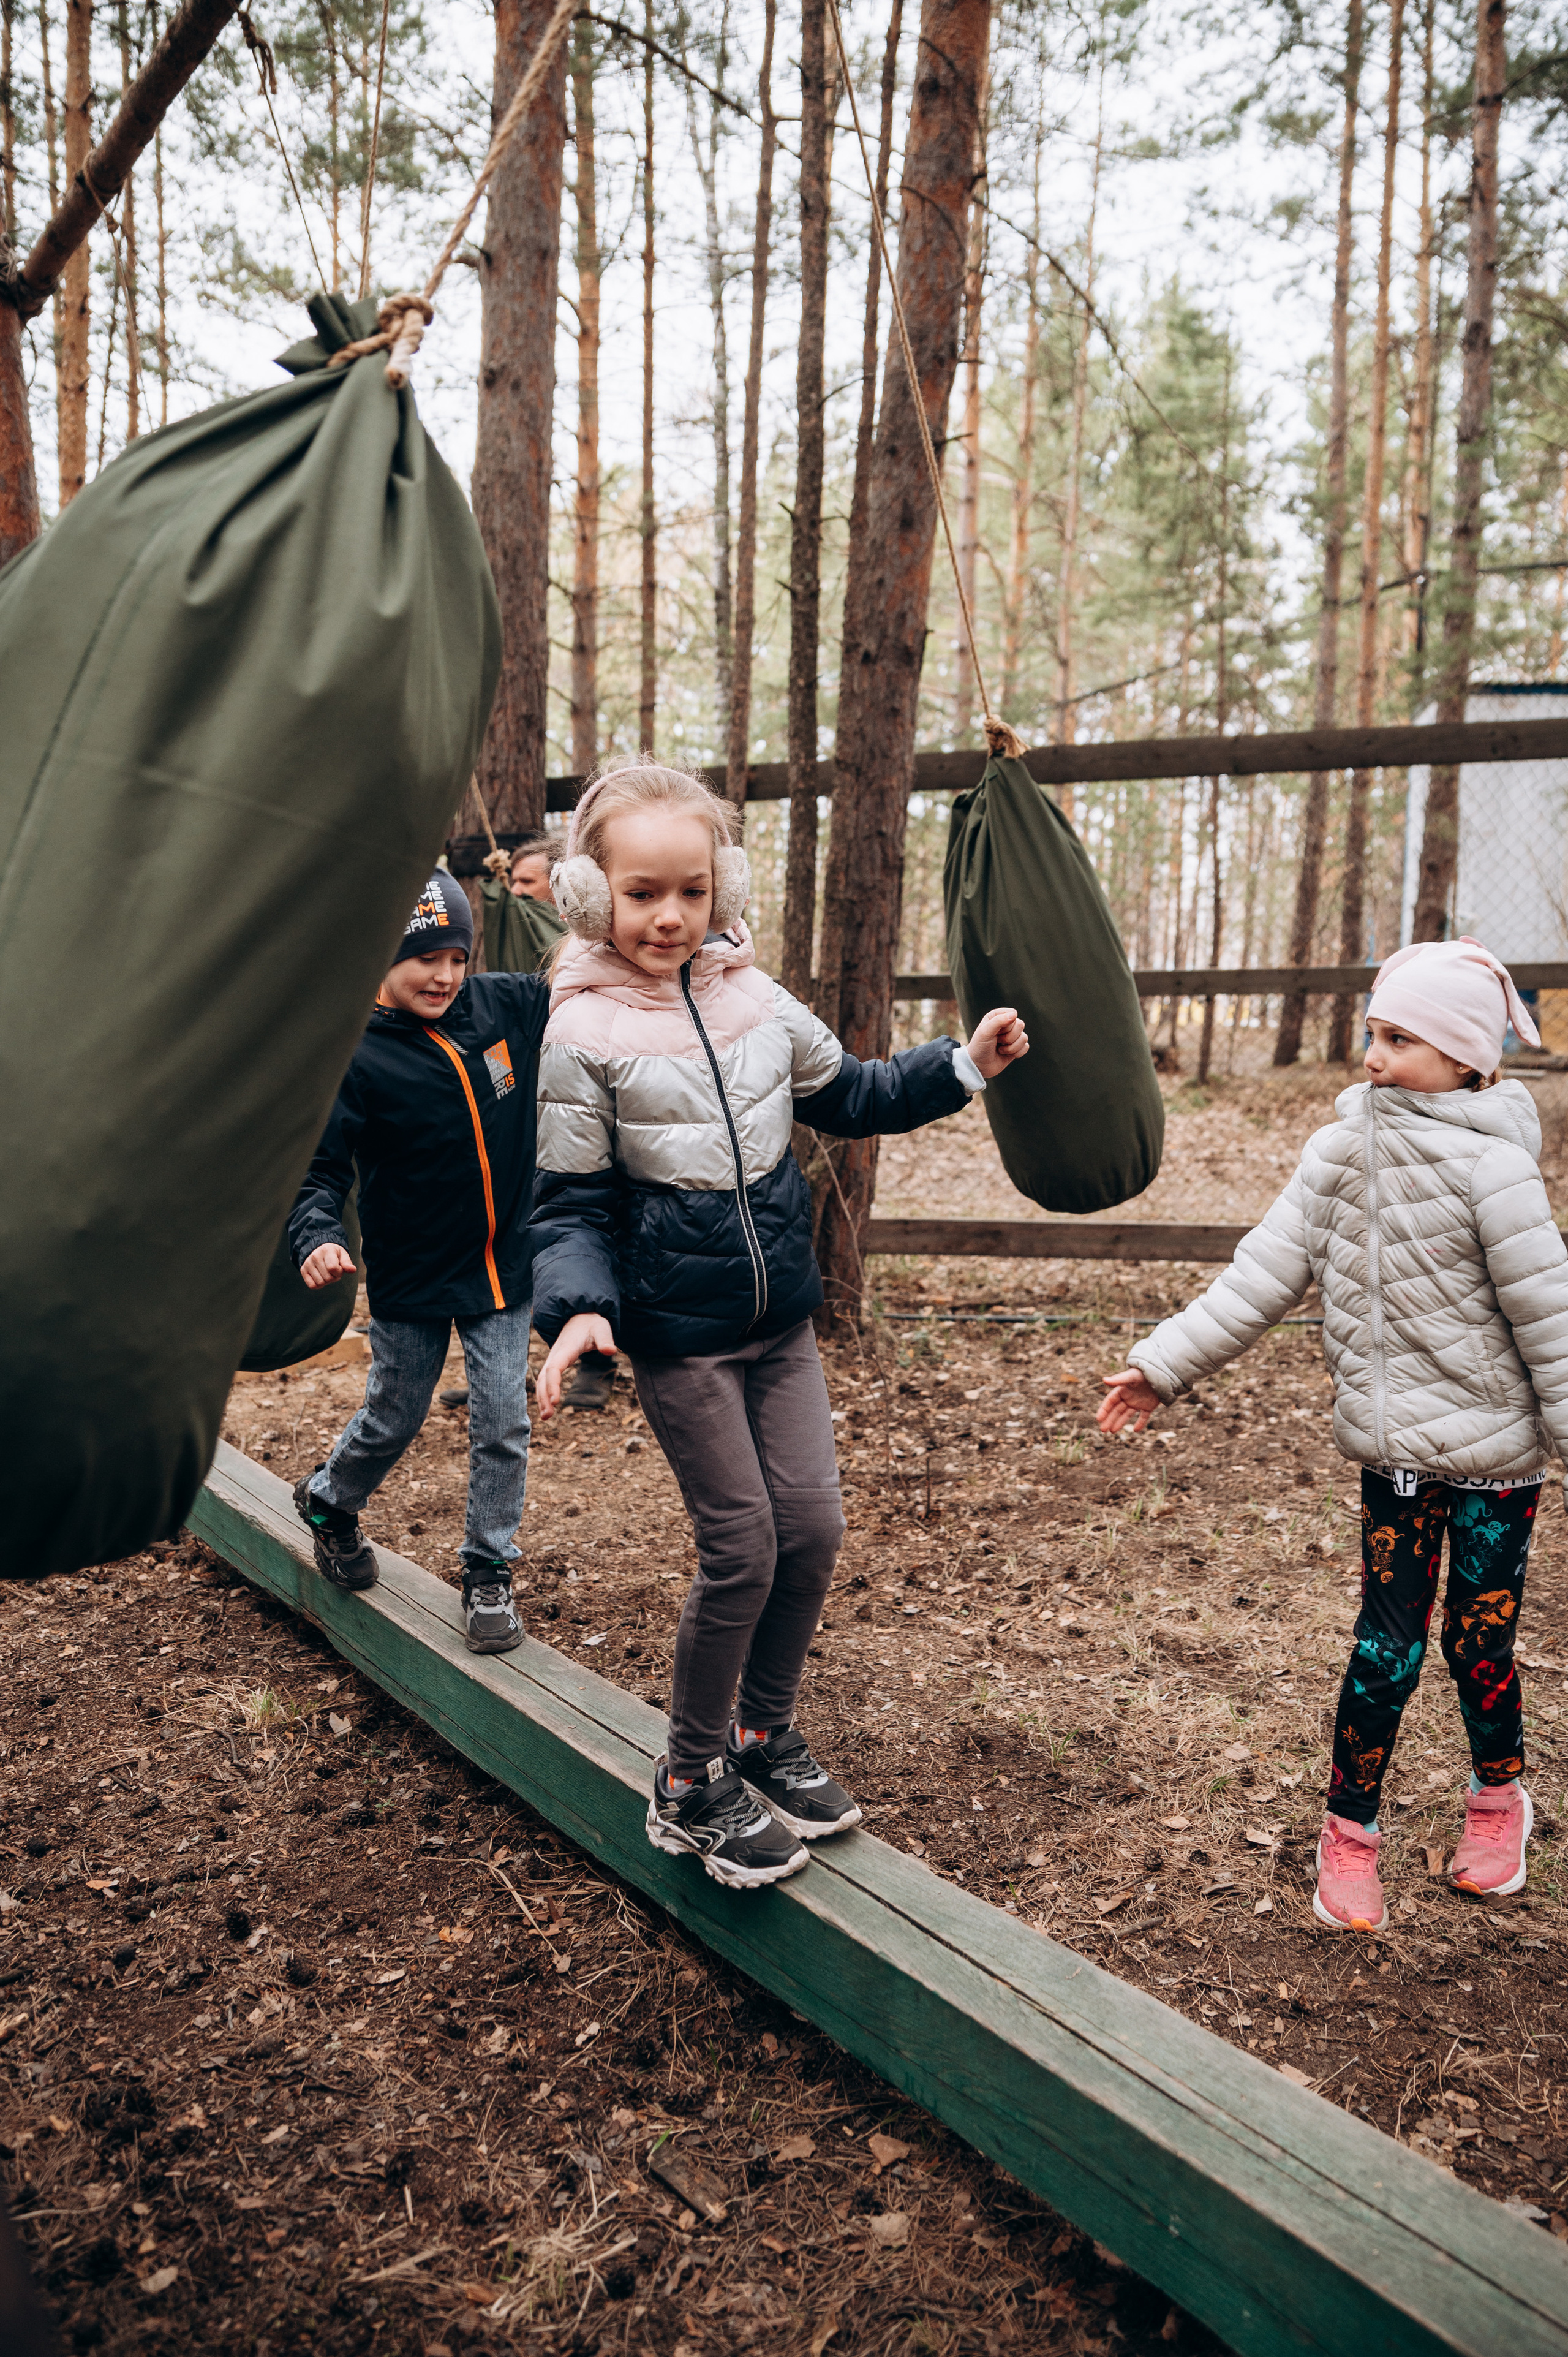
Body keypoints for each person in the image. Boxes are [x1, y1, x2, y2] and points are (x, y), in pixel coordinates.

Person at [527, 757, 1030, 1891]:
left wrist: (963, 1065)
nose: (670, 916)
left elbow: (850, 1092)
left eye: (692, 891)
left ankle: (762, 1734)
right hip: (681, 1334)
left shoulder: (754, 997)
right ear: (593, 897)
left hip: (779, 1326)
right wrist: (580, 1314)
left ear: (724, 888)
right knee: (742, 1547)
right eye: (644, 892)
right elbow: (568, 1205)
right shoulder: (584, 1032)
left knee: (811, 1530)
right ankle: (688, 1782)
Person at [1098, 940, 1568, 1932]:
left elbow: (1551, 1324)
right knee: (1384, 1648)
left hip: (1497, 1467)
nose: (1373, 1056)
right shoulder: (1338, 1154)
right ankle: (1349, 1831)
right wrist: (1164, 1362)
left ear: (1468, 1058)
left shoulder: (1497, 1171)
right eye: (1373, 1033)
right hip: (1396, 1457)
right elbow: (1259, 1274)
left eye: (1400, 1039)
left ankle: (1498, 1799)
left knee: (1479, 1639)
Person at [288, 869, 550, 1654]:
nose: (443, 975)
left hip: (505, 1267)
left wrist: (703, 947)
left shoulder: (501, 1005)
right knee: (394, 1415)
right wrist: (317, 1236)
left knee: (502, 1417)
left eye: (457, 957)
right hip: (412, 1273)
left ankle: (488, 1570)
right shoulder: (354, 1056)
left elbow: (583, 973)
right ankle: (331, 1500)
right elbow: (318, 1170)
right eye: (423, 958)